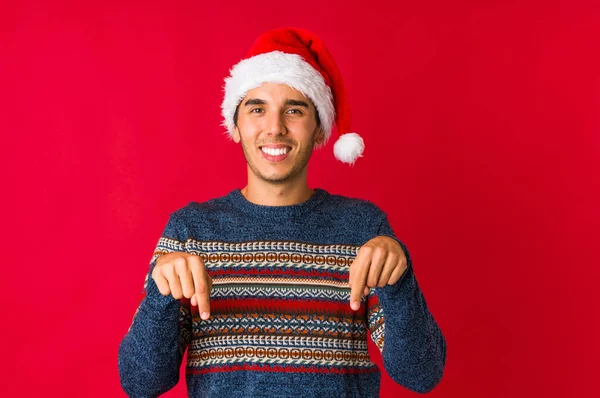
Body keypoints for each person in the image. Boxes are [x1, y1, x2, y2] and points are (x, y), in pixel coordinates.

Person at [118, 27, 446, 398]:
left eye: (294, 110)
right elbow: (140, 382)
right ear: (236, 125)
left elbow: (422, 373)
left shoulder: (363, 228)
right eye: (257, 109)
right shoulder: (190, 230)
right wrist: (162, 296)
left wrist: (397, 279)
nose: (274, 128)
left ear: (319, 127)